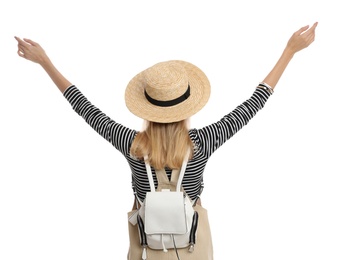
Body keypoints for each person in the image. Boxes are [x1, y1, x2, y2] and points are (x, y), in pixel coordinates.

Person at [14, 22, 318, 260]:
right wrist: (289, 50)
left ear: (147, 107)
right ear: (187, 107)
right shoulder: (204, 141)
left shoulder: (131, 144)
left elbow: (84, 107)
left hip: (148, 250)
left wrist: (45, 62)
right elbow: (253, 104)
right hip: (193, 249)